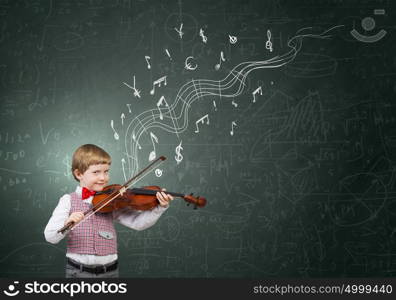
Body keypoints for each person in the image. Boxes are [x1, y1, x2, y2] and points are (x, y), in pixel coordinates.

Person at [44, 144, 173, 278]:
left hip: (110, 272)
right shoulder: (68, 200)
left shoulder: (112, 200)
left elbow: (138, 223)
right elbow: (50, 236)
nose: (103, 178)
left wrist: (159, 207)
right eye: (96, 172)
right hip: (78, 272)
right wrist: (67, 223)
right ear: (79, 174)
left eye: (106, 171)